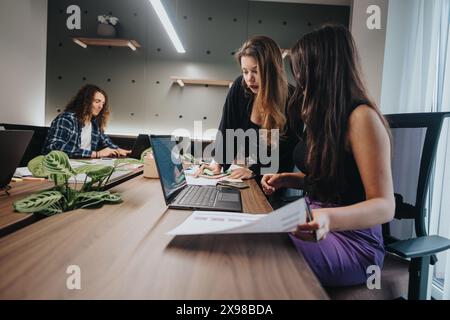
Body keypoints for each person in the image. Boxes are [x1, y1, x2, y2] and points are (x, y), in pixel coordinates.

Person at [261, 25, 395, 287]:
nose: (299, 80)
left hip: (355, 241)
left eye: (302, 72)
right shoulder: (326, 118)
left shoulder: (362, 118)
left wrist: (329, 219)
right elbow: (336, 179)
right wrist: (291, 179)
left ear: (323, 71)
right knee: (251, 243)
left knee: (264, 257)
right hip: (315, 222)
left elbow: (384, 205)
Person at [196, 35, 302, 180]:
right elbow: (227, 129)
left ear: (271, 70)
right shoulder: (240, 88)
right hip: (250, 174)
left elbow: (287, 151)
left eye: (255, 71)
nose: (249, 79)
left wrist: (255, 171)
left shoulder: (293, 99)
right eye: (245, 71)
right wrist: (218, 164)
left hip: (276, 180)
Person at [43, 84, 131, 158]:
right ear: (85, 102)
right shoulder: (66, 119)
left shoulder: (94, 123)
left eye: (103, 103)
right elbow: (55, 147)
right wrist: (96, 154)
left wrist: (119, 150)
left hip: (83, 166)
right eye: (97, 102)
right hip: (62, 169)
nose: (101, 106)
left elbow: (106, 141)